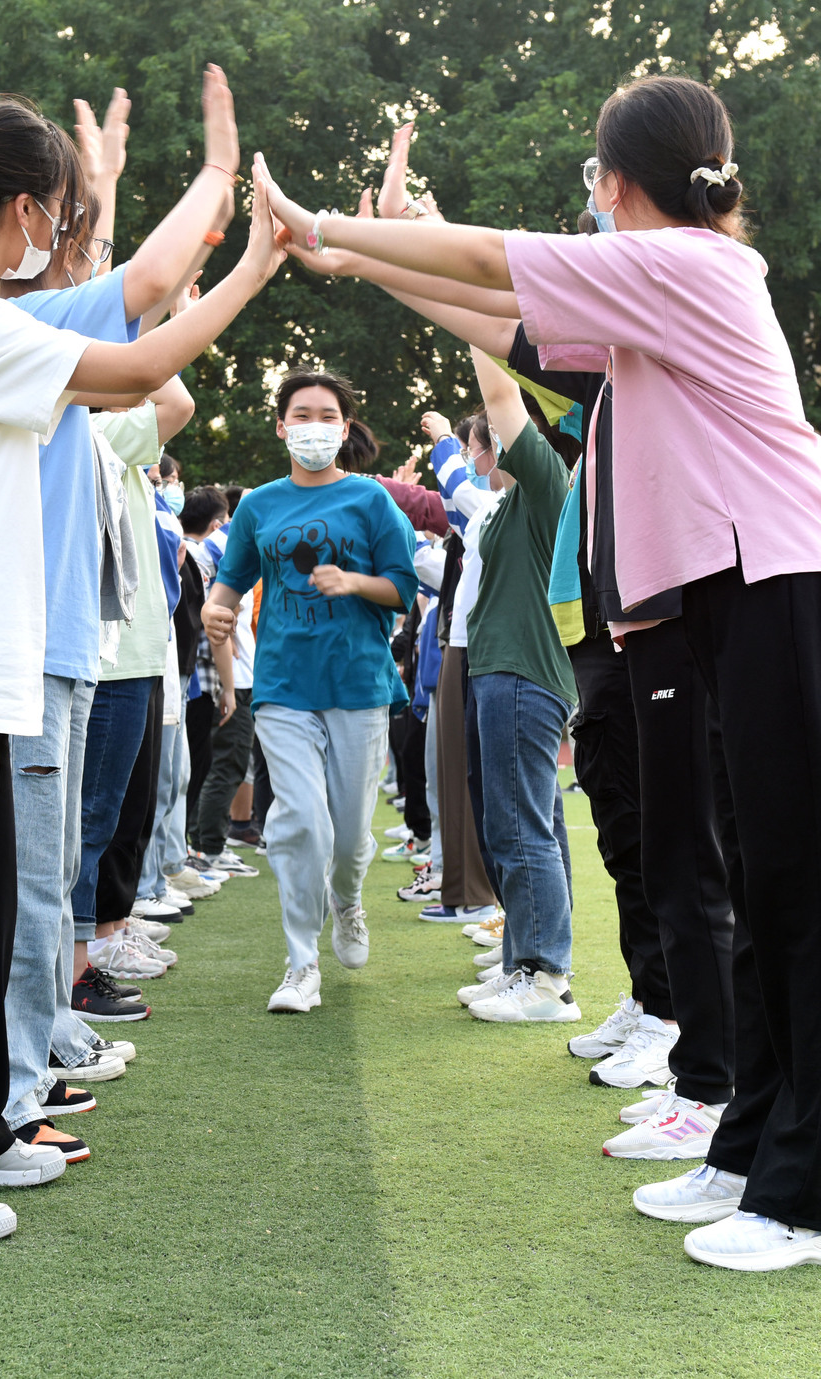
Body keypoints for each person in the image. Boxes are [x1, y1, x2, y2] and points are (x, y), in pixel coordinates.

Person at [256, 73, 821, 1270]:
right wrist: (375, 264)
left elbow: (501, 259)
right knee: (759, 879)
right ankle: (754, 1145)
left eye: (594, 181)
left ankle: (805, 1183)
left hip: (780, 583)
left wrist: (329, 226)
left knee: (785, 887)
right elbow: (509, 322)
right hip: (728, 594)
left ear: (619, 184)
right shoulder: (659, 290)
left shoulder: (694, 267)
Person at [0, 86, 281, 1245]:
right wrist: (251, 266)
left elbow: (133, 314)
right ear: (18, 210)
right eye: (51, 216)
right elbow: (142, 365)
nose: (57, 240)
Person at [202, 370, 418, 1013]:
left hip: (357, 684)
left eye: (327, 416)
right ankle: (301, 964)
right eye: (302, 414)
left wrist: (355, 583)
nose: (314, 426)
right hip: (284, 689)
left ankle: (347, 901)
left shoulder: (373, 501)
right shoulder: (258, 506)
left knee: (349, 836)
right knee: (299, 826)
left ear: (344, 428)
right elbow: (228, 586)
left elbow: (403, 587)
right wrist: (217, 614)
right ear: (281, 425)